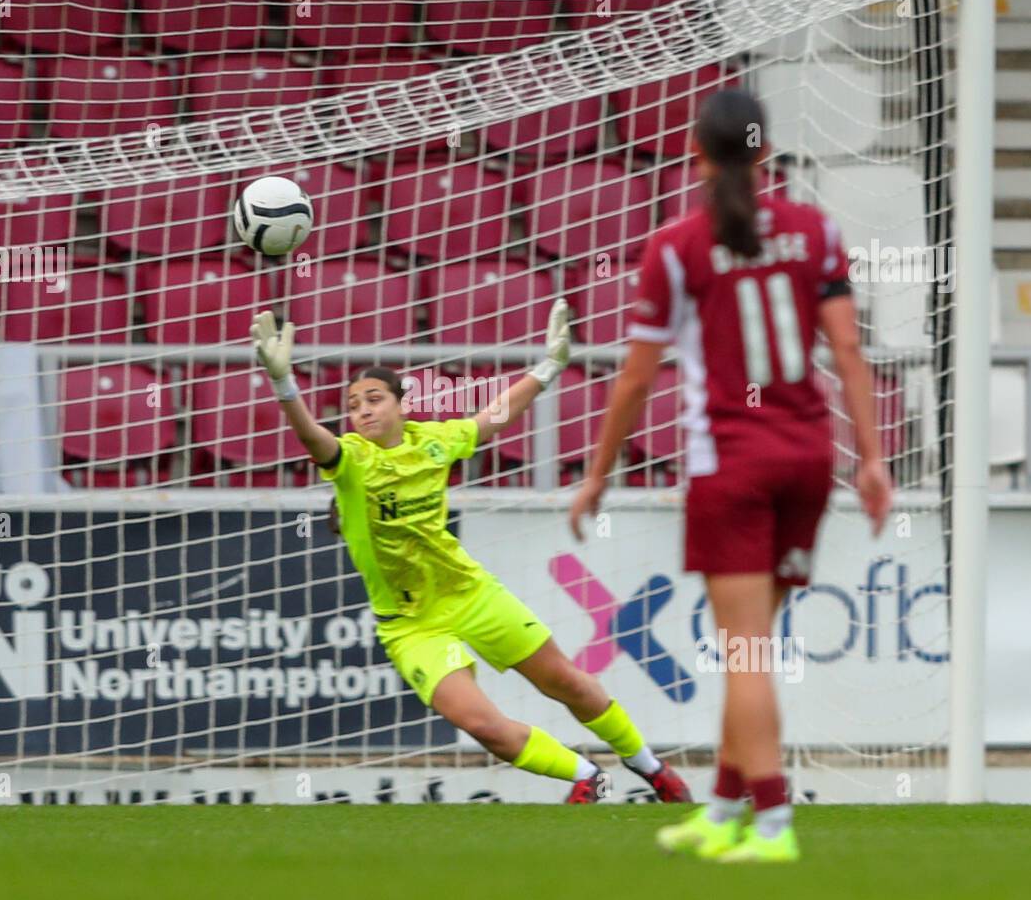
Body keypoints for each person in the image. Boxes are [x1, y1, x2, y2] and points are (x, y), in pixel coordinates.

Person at [569, 88, 893, 859]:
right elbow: (849, 351)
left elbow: (636, 380)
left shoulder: (677, 247)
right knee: (754, 640)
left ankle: (774, 823)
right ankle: (721, 811)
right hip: (809, 459)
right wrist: (874, 459)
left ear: (695, 151)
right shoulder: (815, 231)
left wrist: (597, 475)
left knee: (743, 653)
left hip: (733, 467)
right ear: (766, 152)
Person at [251, 301, 692, 804]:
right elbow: (313, 438)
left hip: (470, 593)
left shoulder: (435, 442)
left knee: (568, 682)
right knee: (484, 726)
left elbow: (491, 418)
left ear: (401, 404)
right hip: (411, 623)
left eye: (374, 399)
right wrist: (285, 386)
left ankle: (651, 768)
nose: (363, 410)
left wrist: (547, 368)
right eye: (354, 405)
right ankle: (586, 776)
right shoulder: (352, 461)